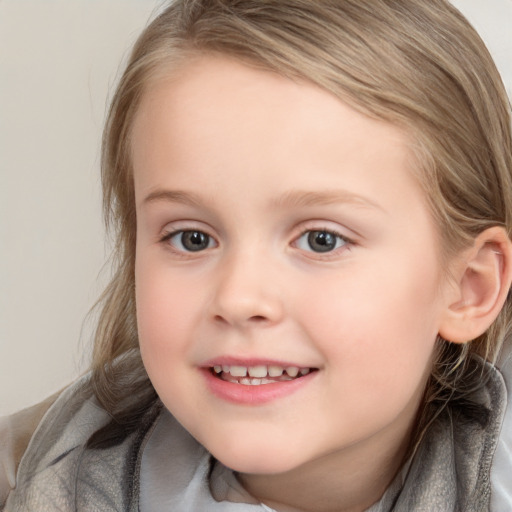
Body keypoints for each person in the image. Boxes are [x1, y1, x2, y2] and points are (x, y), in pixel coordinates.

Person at [2, 0, 512, 510]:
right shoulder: (40, 482)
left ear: (470, 285)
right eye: (192, 237)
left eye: (321, 240)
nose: (239, 297)